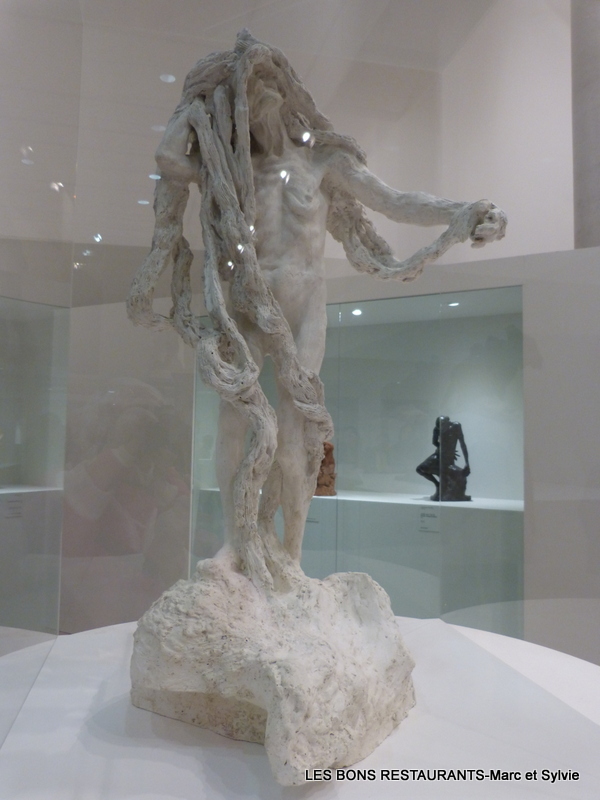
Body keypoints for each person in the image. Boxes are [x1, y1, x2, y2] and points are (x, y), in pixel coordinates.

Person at [127, 31, 506, 585]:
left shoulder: (324, 161)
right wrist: (189, 107)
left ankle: (292, 553)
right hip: (248, 306)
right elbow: (168, 158)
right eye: (244, 95)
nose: (258, 100)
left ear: (286, 98)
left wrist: (464, 212)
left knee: (293, 434)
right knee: (233, 420)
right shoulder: (230, 170)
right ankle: (234, 542)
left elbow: (395, 201)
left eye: (266, 88)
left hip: (304, 310)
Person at [416, 416, 471, 501]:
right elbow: (434, 442)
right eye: (440, 427)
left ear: (448, 422)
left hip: (448, 460)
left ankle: (455, 494)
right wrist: (443, 448)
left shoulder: (456, 426)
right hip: (438, 455)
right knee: (420, 469)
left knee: (456, 475)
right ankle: (437, 485)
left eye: (443, 425)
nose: (441, 429)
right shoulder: (437, 429)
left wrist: (467, 463)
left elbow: (462, 444)